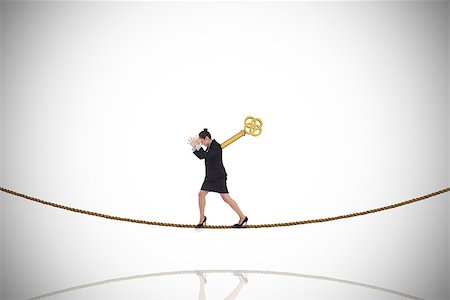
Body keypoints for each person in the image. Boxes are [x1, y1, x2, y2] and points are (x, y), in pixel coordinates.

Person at [188, 128, 248, 227]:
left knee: (226, 198)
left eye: (202, 141)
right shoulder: (209, 146)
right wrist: (194, 147)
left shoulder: (216, 146)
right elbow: (201, 156)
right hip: (210, 177)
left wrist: (198, 146)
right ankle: (202, 218)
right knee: (201, 194)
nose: (202, 144)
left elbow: (205, 156)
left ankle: (242, 217)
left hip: (218, 176)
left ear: (207, 138)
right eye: (201, 142)